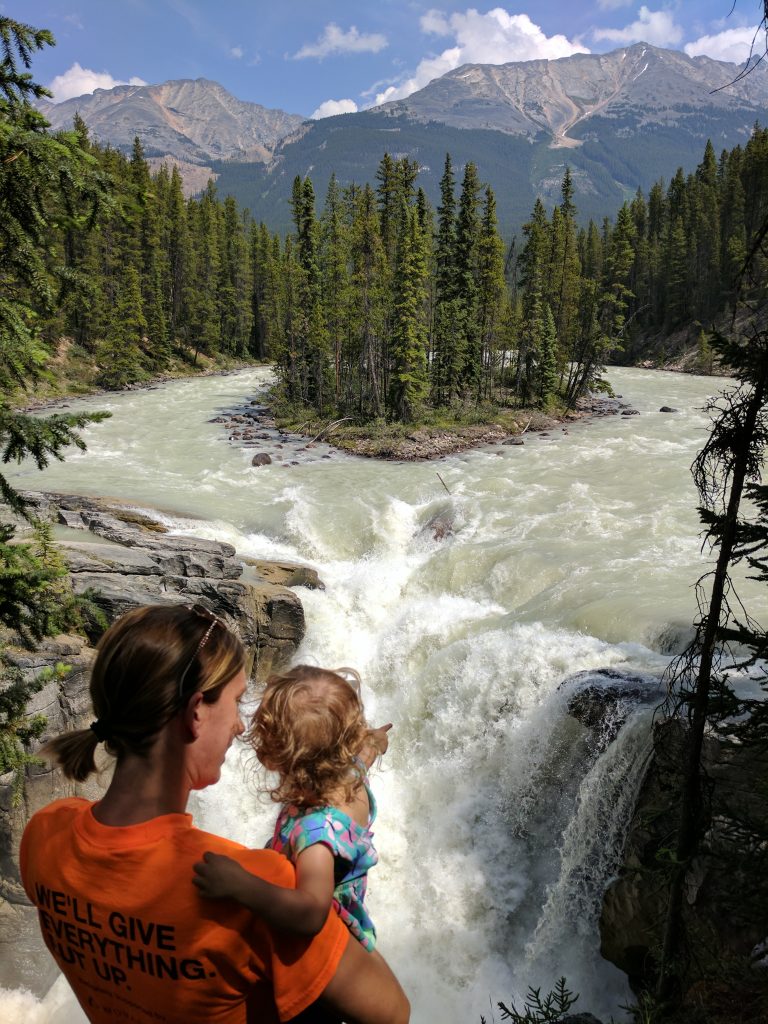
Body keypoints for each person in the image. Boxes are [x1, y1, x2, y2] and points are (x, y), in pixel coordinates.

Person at [20, 604, 409, 1024]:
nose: (242, 727)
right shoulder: (253, 887)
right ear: (195, 713)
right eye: (238, 702)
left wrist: (362, 756)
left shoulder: (46, 834)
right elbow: (392, 1013)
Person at [193, 666, 391, 953]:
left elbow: (310, 913)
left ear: (271, 756)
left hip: (325, 953)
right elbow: (366, 756)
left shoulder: (316, 836)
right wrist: (375, 741)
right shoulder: (349, 777)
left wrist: (241, 886)